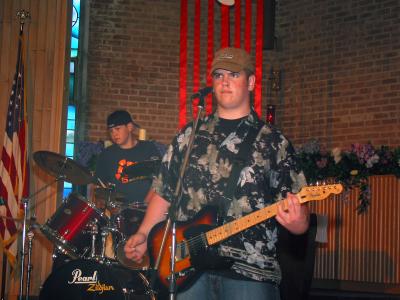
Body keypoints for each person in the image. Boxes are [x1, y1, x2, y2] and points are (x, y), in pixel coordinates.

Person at [124, 47, 310, 300]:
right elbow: (164, 191)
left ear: (251, 82)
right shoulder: (188, 136)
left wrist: (299, 224)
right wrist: (144, 234)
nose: (224, 81)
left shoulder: (274, 142)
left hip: (250, 272)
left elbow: (297, 204)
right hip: (188, 269)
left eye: (234, 74)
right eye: (219, 75)